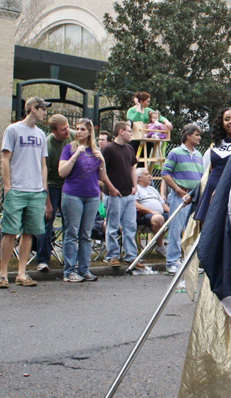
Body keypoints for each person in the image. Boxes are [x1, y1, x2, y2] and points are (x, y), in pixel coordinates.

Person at [0, 97, 52, 289]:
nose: (45, 112)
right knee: (10, 231)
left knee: (29, 232)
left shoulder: (40, 134)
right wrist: (7, 187)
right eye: (42, 109)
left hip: (36, 191)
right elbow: (5, 159)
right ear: (32, 108)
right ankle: (3, 274)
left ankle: (21, 273)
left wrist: (43, 189)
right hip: (17, 189)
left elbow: (43, 164)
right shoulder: (13, 130)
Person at [58, 118, 113, 282]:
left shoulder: (96, 150)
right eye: (77, 129)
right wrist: (75, 155)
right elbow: (62, 172)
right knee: (71, 233)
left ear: (89, 131)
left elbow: (102, 177)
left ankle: (84, 269)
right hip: (72, 194)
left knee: (85, 234)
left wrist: (102, 161)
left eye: (82, 129)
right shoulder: (69, 148)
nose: (79, 132)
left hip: (92, 196)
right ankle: (69, 271)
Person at [161, 123, 203, 275]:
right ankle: (172, 262)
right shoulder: (175, 152)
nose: (199, 138)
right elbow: (165, 173)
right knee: (176, 229)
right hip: (181, 196)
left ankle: (190, 262)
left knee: (193, 231)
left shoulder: (198, 155)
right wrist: (178, 190)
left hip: (195, 198)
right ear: (188, 135)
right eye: (197, 134)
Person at [34, 114, 74, 273]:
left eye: (68, 127)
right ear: (53, 131)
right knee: (47, 222)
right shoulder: (48, 145)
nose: (67, 131)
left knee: (69, 222)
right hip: (52, 185)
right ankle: (43, 260)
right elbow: (42, 176)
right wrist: (47, 204)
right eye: (63, 129)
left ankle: (69, 260)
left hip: (69, 185)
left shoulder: (71, 135)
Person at [101, 121, 141, 269]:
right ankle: (113, 255)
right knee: (112, 226)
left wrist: (134, 186)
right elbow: (102, 171)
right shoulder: (108, 149)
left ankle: (131, 257)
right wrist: (111, 188)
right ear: (121, 132)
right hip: (114, 195)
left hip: (128, 195)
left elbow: (132, 169)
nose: (131, 134)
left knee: (130, 226)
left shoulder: (130, 149)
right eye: (129, 131)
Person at [195, 107, 231, 223]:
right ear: (222, 124)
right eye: (227, 119)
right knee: (208, 230)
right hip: (212, 189)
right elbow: (209, 171)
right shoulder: (215, 146)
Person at [135, 167, 169, 258]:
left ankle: (172, 244)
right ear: (139, 178)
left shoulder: (152, 189)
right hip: (144, 215)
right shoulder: (136, 189)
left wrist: (173, 212)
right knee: (159, 218)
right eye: (146, 174)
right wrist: (151, 211)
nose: (150, 176)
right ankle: (160, 246)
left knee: (177, 216)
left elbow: (163, 205)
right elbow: (135, 205)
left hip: (157, 214)